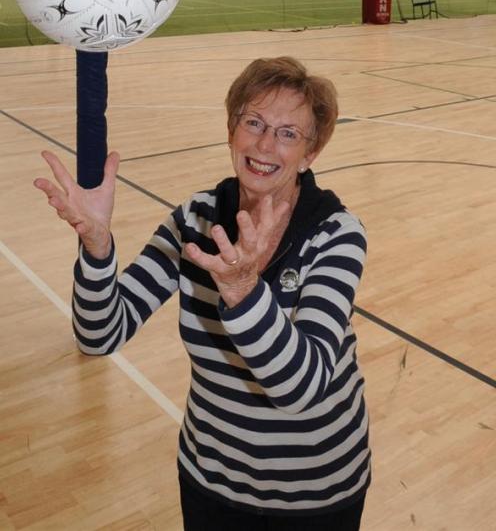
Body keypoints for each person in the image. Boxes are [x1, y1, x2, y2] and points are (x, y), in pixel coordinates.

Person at [34, 57, 371, 531]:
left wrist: (244, 290)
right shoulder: (194, 219)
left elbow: (302, 388)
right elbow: (100, 335)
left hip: (315, 492)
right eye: (253, 122)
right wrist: (98, 247)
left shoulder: (335, 233)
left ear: (311, 154)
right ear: (232, 129)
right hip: (211, 480)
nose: (265, 144)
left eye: (288, 133)